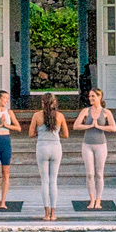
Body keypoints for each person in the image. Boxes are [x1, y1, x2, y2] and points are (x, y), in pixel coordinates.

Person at [28, 92, 69, 221]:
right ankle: (54, 213)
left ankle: (46, 214)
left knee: (44, 181)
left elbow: (30, 133)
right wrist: (56, 135)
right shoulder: (60, 116)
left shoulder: (36, 115)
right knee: (54, 180)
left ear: (42, 102)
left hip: (42, 147)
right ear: (54, 102)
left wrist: (40, 134)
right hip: (56, 147)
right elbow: (66, 134)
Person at [74, 87, 116, 210]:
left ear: (100, 97)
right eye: (90, 96)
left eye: (93, 96)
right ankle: (91, 199)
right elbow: (76, 126)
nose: (91, 98)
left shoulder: (106, 112)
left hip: (101, 145)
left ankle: (99, 200)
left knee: (99, 173)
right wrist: (89, 125)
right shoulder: (86, 111)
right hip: (87, 145)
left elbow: (113, 128)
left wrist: (99, 127)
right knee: (89, 174)